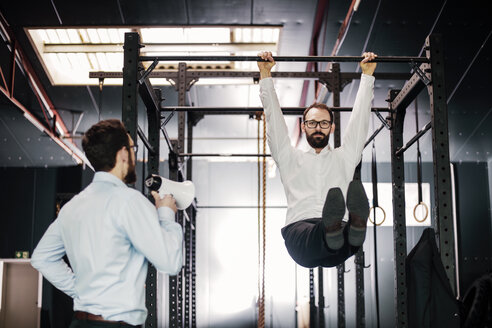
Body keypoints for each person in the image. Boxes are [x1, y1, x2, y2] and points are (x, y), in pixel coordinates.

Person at [31, 119, 183, 327]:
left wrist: (81, 289)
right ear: (122, 154)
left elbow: (41, 258)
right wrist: (166, 213)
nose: (133, 154)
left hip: (79, 323)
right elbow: (171, 263)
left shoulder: (72, 207)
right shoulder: (130, 201)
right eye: (132, 148)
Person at [257, 51, 377, 268]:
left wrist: (367, 77)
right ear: (303, 127)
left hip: (338, 234)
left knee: (341, 236)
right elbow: (274, 121)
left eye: (323, 123)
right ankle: (337, 228)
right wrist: (265, 75)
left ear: (332, 127)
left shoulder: (345, 156)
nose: (318, 128)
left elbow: (359, 121)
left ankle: (347, 227)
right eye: (312, 123)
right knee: (325, 234)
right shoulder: (289, 158)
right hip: (301, 233)